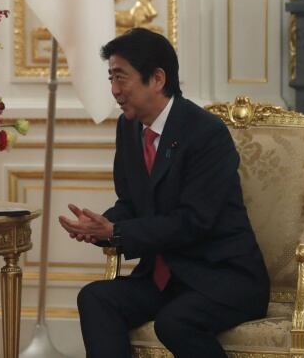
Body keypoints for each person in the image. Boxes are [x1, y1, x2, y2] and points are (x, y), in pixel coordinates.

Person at [59, 28, 269, 358]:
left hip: (222, 277)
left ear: (157, 79)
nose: (114, 90)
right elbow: (131, 202)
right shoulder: (128, 128)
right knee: (96, 298)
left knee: (175, 322)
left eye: (121, 78)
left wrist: (118, 232)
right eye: (110, 78)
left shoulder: (206, 133)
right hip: (165, 278)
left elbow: (194, 221)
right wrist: (100, 228)